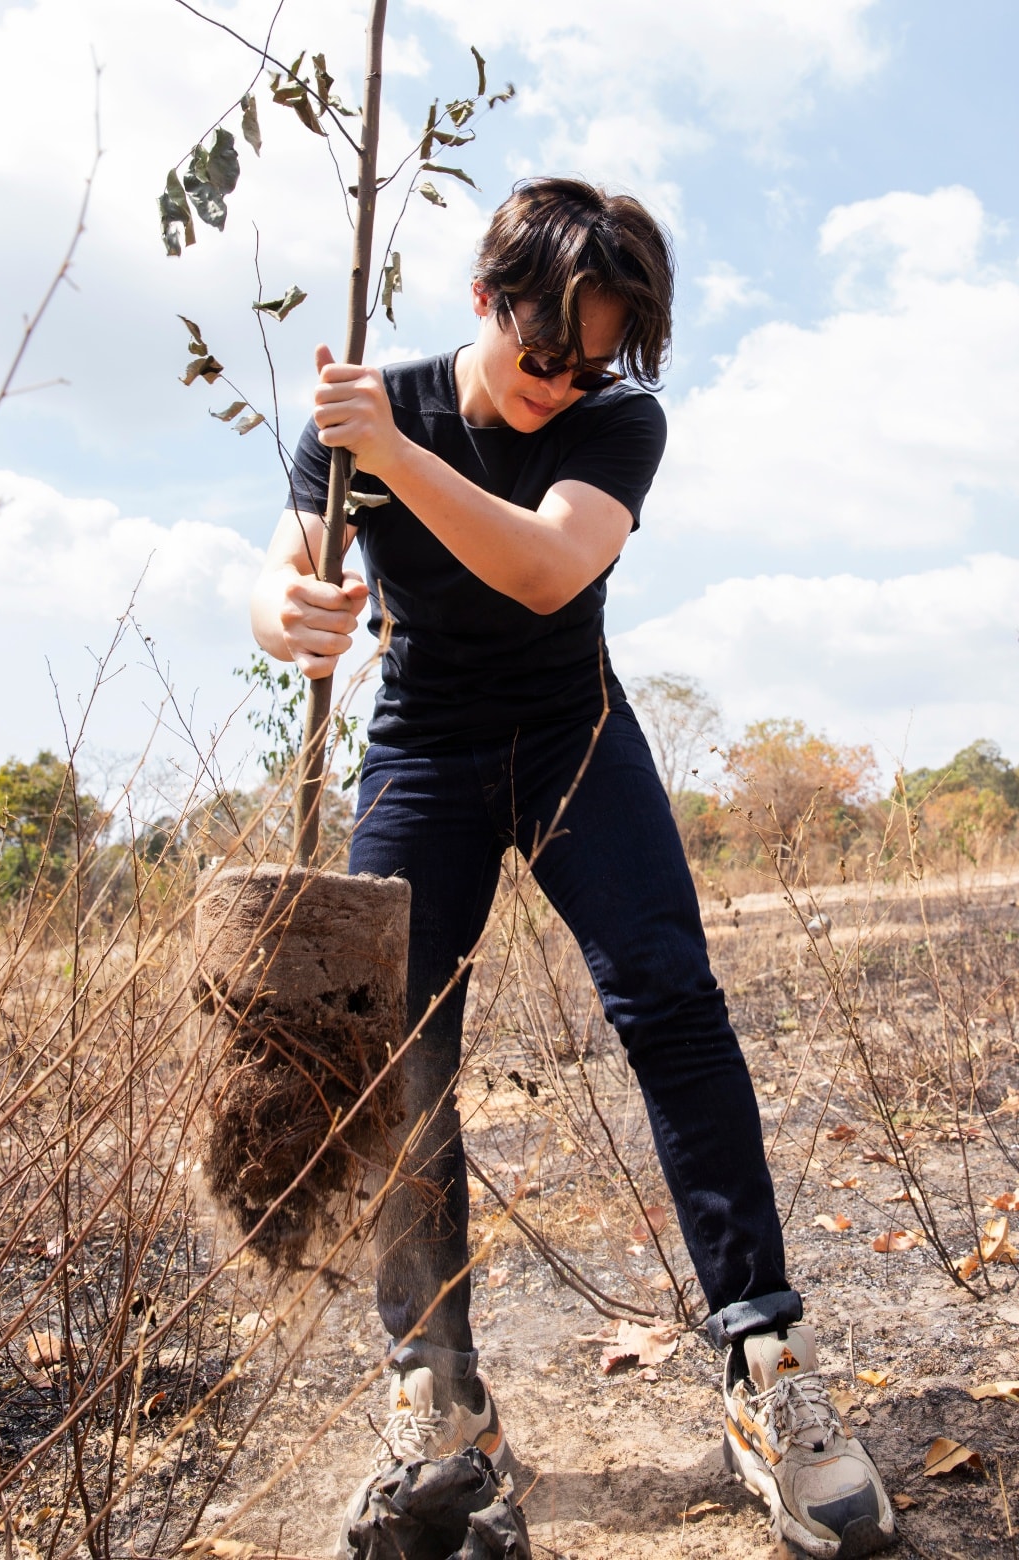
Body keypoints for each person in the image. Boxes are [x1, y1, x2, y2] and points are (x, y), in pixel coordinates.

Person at [250, 177, 894, 1560]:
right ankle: (445, 1406)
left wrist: (395, 456)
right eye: (545, 351)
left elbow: (545, 568)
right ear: (487, 302)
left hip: (574, 737)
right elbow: (289, 567)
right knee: (397, 1055)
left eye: (594, 359)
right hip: (423, 745)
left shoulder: (615, 420)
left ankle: (766, 1370)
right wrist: (288, 609)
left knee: (669, 999)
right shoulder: (373, 411)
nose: (566, 382)